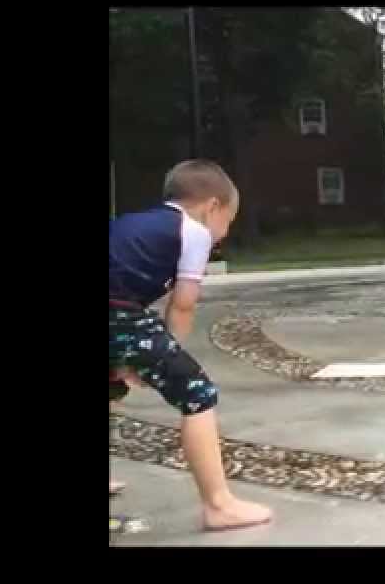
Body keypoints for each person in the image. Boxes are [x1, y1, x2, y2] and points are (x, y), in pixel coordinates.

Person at [109, 159, 274, 532]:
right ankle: (219, 505)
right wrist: (167, 355)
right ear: (211, 206)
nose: (222, 235)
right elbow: (183, 304)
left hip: (118, 310)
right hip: (116, 309)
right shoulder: (193, 231)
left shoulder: (133, 222)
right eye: (227, 224)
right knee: (196, 393)